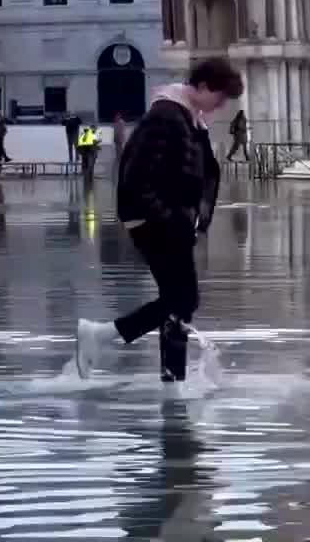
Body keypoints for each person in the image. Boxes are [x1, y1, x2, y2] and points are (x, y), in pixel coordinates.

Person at [74, 57, 243, 383]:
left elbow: (199, 174)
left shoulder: (189, 119)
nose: (220, 107)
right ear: (204, 86)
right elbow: (135, 175)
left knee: (178, 302)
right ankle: (102, 335)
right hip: (158, 225)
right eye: (219, 98)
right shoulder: (166, 116)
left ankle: (171, 378)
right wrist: (167, 219)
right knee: (183, 298)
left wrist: (194, 220)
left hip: (172, 224)